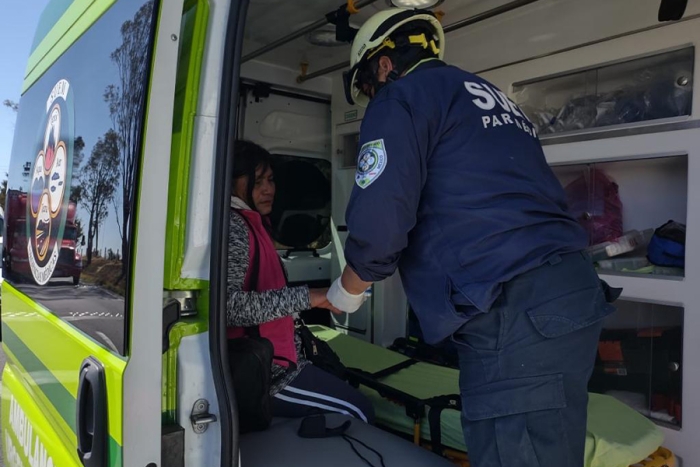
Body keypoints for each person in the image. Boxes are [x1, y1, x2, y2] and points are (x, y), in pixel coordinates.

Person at [327, 8, 620, 467]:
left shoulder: (400, 96)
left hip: (514, 311)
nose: (370, 96)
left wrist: (348, 289)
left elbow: (382, 217)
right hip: (570, 294)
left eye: (366, 86)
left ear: (383, 64)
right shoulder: (491, 97)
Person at [227, 140, 374, 424]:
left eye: (270, 180)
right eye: (257, 181)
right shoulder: (235, 228)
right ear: (232, 182)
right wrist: (311, 297)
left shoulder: (254, 223)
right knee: (358, 411)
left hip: (284, 359)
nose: (268, 189)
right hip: (264, 374)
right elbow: (229, 309)